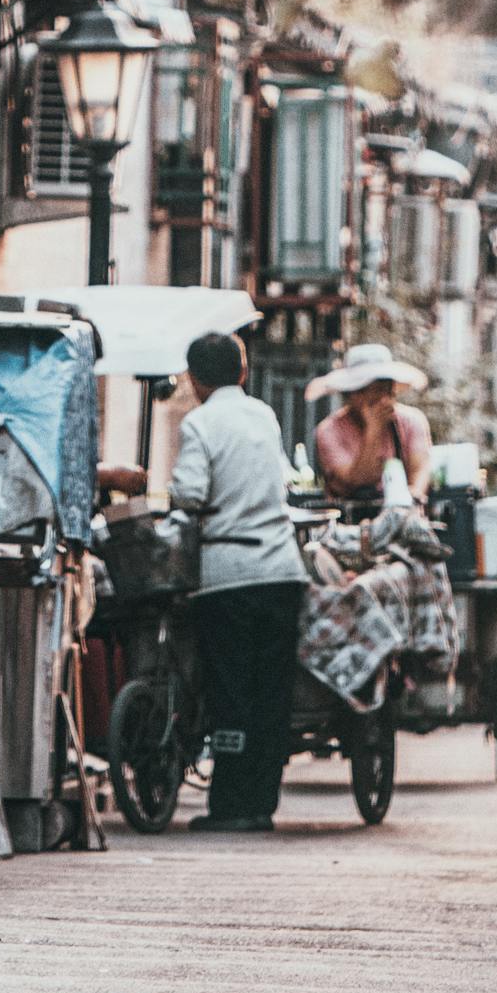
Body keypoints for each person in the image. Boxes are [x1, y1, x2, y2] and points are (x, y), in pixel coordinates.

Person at [168, 332, 310, 833]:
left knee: (230, 691)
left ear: (194, 380)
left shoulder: (200, 423)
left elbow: (188, 493)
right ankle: (261, 804)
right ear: (244, 372)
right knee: (271, 691)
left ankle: (229, 806)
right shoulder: (264, 417)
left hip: (229, 577)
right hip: (282, 572)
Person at [307, 344, 434, 504]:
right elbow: (355, 481)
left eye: (386, 390)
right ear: (352, 393)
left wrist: (410, 497)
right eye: (374, 392)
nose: (384, 400)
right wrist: (373, 430)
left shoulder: (411, 421)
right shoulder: (329, 430)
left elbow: (420, 470)